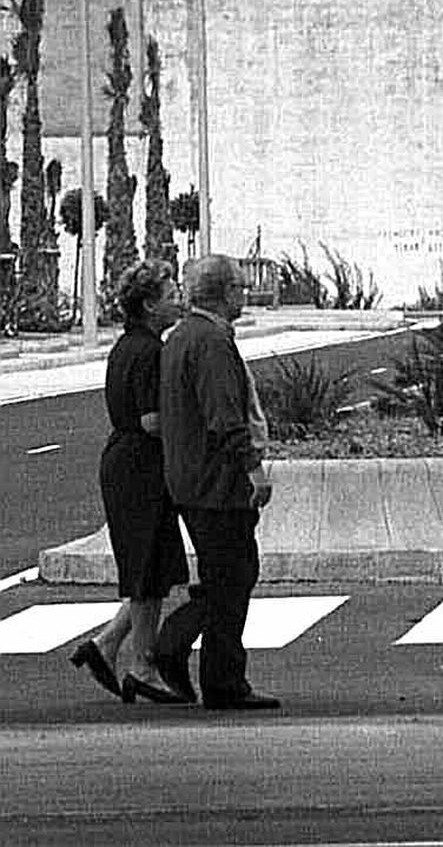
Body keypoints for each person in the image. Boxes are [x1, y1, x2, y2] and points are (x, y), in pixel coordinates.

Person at [152, 255, 279, 712]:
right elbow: (224, 417)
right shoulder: (211, 342)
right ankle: (218, 677)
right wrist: (253, 469)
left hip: (189, 479)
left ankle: (181, 647)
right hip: (217, 483)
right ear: (224, 293)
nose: (245, 295)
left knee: (224, 574)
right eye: (240, 287)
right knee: (234, 576)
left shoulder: (182, 336)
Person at [69, 260, 189, 705]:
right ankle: (141, 667)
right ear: (149, 304)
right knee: (146, 570)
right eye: (171, 294)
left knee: (151, 567)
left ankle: (106, 646)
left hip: (127, 462)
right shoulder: (150, 352)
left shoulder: (128, 345)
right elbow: (152, 420)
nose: (179, 300)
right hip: (140, 466)